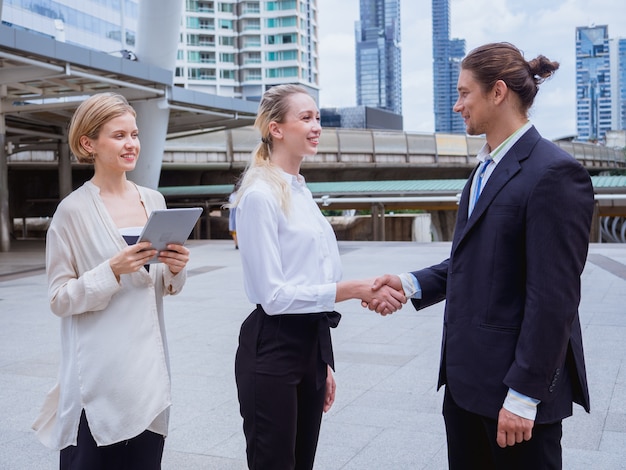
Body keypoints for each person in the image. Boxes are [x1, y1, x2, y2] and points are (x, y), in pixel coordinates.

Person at [368, 42, 594, 469]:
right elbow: (476, 261)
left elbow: (554, 298)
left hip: (514, 399)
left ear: (498, 92)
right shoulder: (484, 169)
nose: (457, 106)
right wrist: (409, 283)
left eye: (464, 93)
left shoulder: (555, 173)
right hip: (467, 388)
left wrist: (525, 397)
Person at [232, 84, 406, 470]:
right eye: (305, 118)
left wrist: (322, 360)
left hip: (309, 343)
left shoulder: (301, 191)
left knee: (302, 463)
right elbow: (273, 296)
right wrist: (354, 290)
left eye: (318, 118)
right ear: (276, 129)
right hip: (272, 347)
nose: (316, 127)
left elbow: (315, 276)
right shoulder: (259, 195)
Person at [32, 92, 191, 469]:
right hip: (96, 379)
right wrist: (111, 271)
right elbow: (58, 298)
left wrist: (176, 268)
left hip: (147, 372)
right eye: (119, 135)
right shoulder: (71, 211)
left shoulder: (153, 201)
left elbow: (164, 286)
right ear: (89, 143)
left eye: (134, 134)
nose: (132, 143)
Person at [228, 181, 240, 249]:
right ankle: (236, 243)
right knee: (235, 229)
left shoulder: (233, 195)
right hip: (235, 213)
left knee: (235, 229)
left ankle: (237, 243)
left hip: (236, 212)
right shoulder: (234, 195)